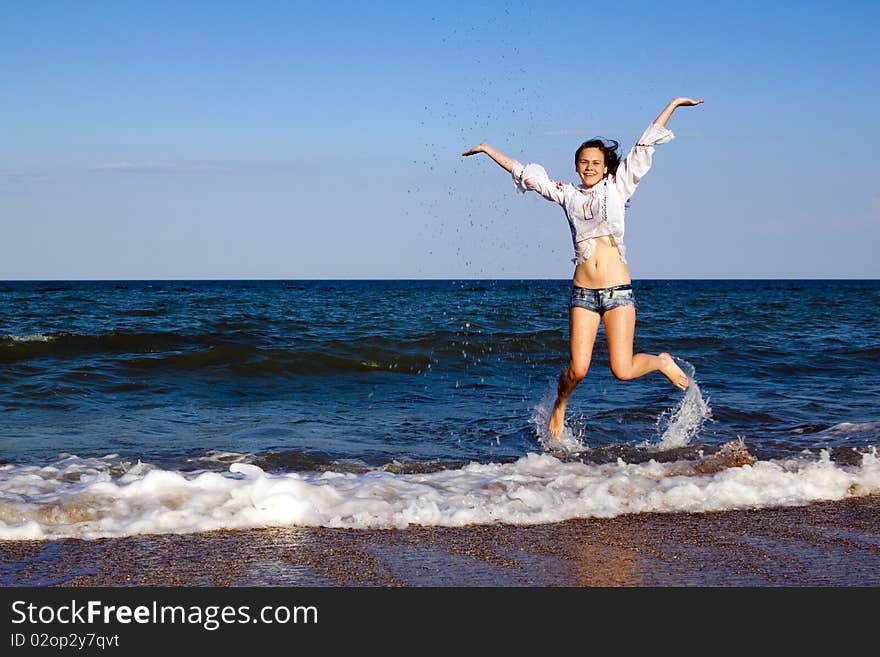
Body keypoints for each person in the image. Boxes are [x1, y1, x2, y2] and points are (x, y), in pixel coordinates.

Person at [462, 97, 704, 439]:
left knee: (622, 369)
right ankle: (560, 406)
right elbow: (527, 175)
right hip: (583, 293)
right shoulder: (568, 195)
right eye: (583, 162)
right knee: (578, 368)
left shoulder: (619, 188)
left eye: (595, 162)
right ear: (576, 166)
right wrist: (489, 149)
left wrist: (675, 104)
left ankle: (662, 361)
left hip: (618, 291)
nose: (589, 167)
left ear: (606, 167)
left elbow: (644, 143)